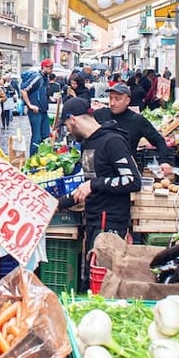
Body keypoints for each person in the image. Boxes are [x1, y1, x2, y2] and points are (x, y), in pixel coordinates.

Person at [57, 97, 142, 270]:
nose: (68, 131)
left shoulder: (112, 142)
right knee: (91, 274)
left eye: (67, 125)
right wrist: (59, 203)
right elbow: (87, 184)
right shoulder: (87, 144)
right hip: (94, 220)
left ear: (73, 119)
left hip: (110, 223)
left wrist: (94, 184)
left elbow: (133, 180)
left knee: (104, 276)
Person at [94, 83, 175, 178]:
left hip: (126, 172)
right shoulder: (99, 115)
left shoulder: (137, 120)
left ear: (127, 101)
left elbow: (159, 140)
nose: (112, 103)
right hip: (100, 171)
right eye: (110, 98)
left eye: (117, 99)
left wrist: (164, 161)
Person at [20, 59, 53, 155]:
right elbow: (23, 90)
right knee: (36, 137)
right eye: (49, 67)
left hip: (43, 110)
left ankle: (42, 156)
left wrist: (50, 98)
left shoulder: (45, 78)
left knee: (46, 135)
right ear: (43, 67)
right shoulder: (37, 77)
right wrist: (30, 105)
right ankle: (33, 157)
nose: (51, 70)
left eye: (51, 68)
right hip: (35, 111)